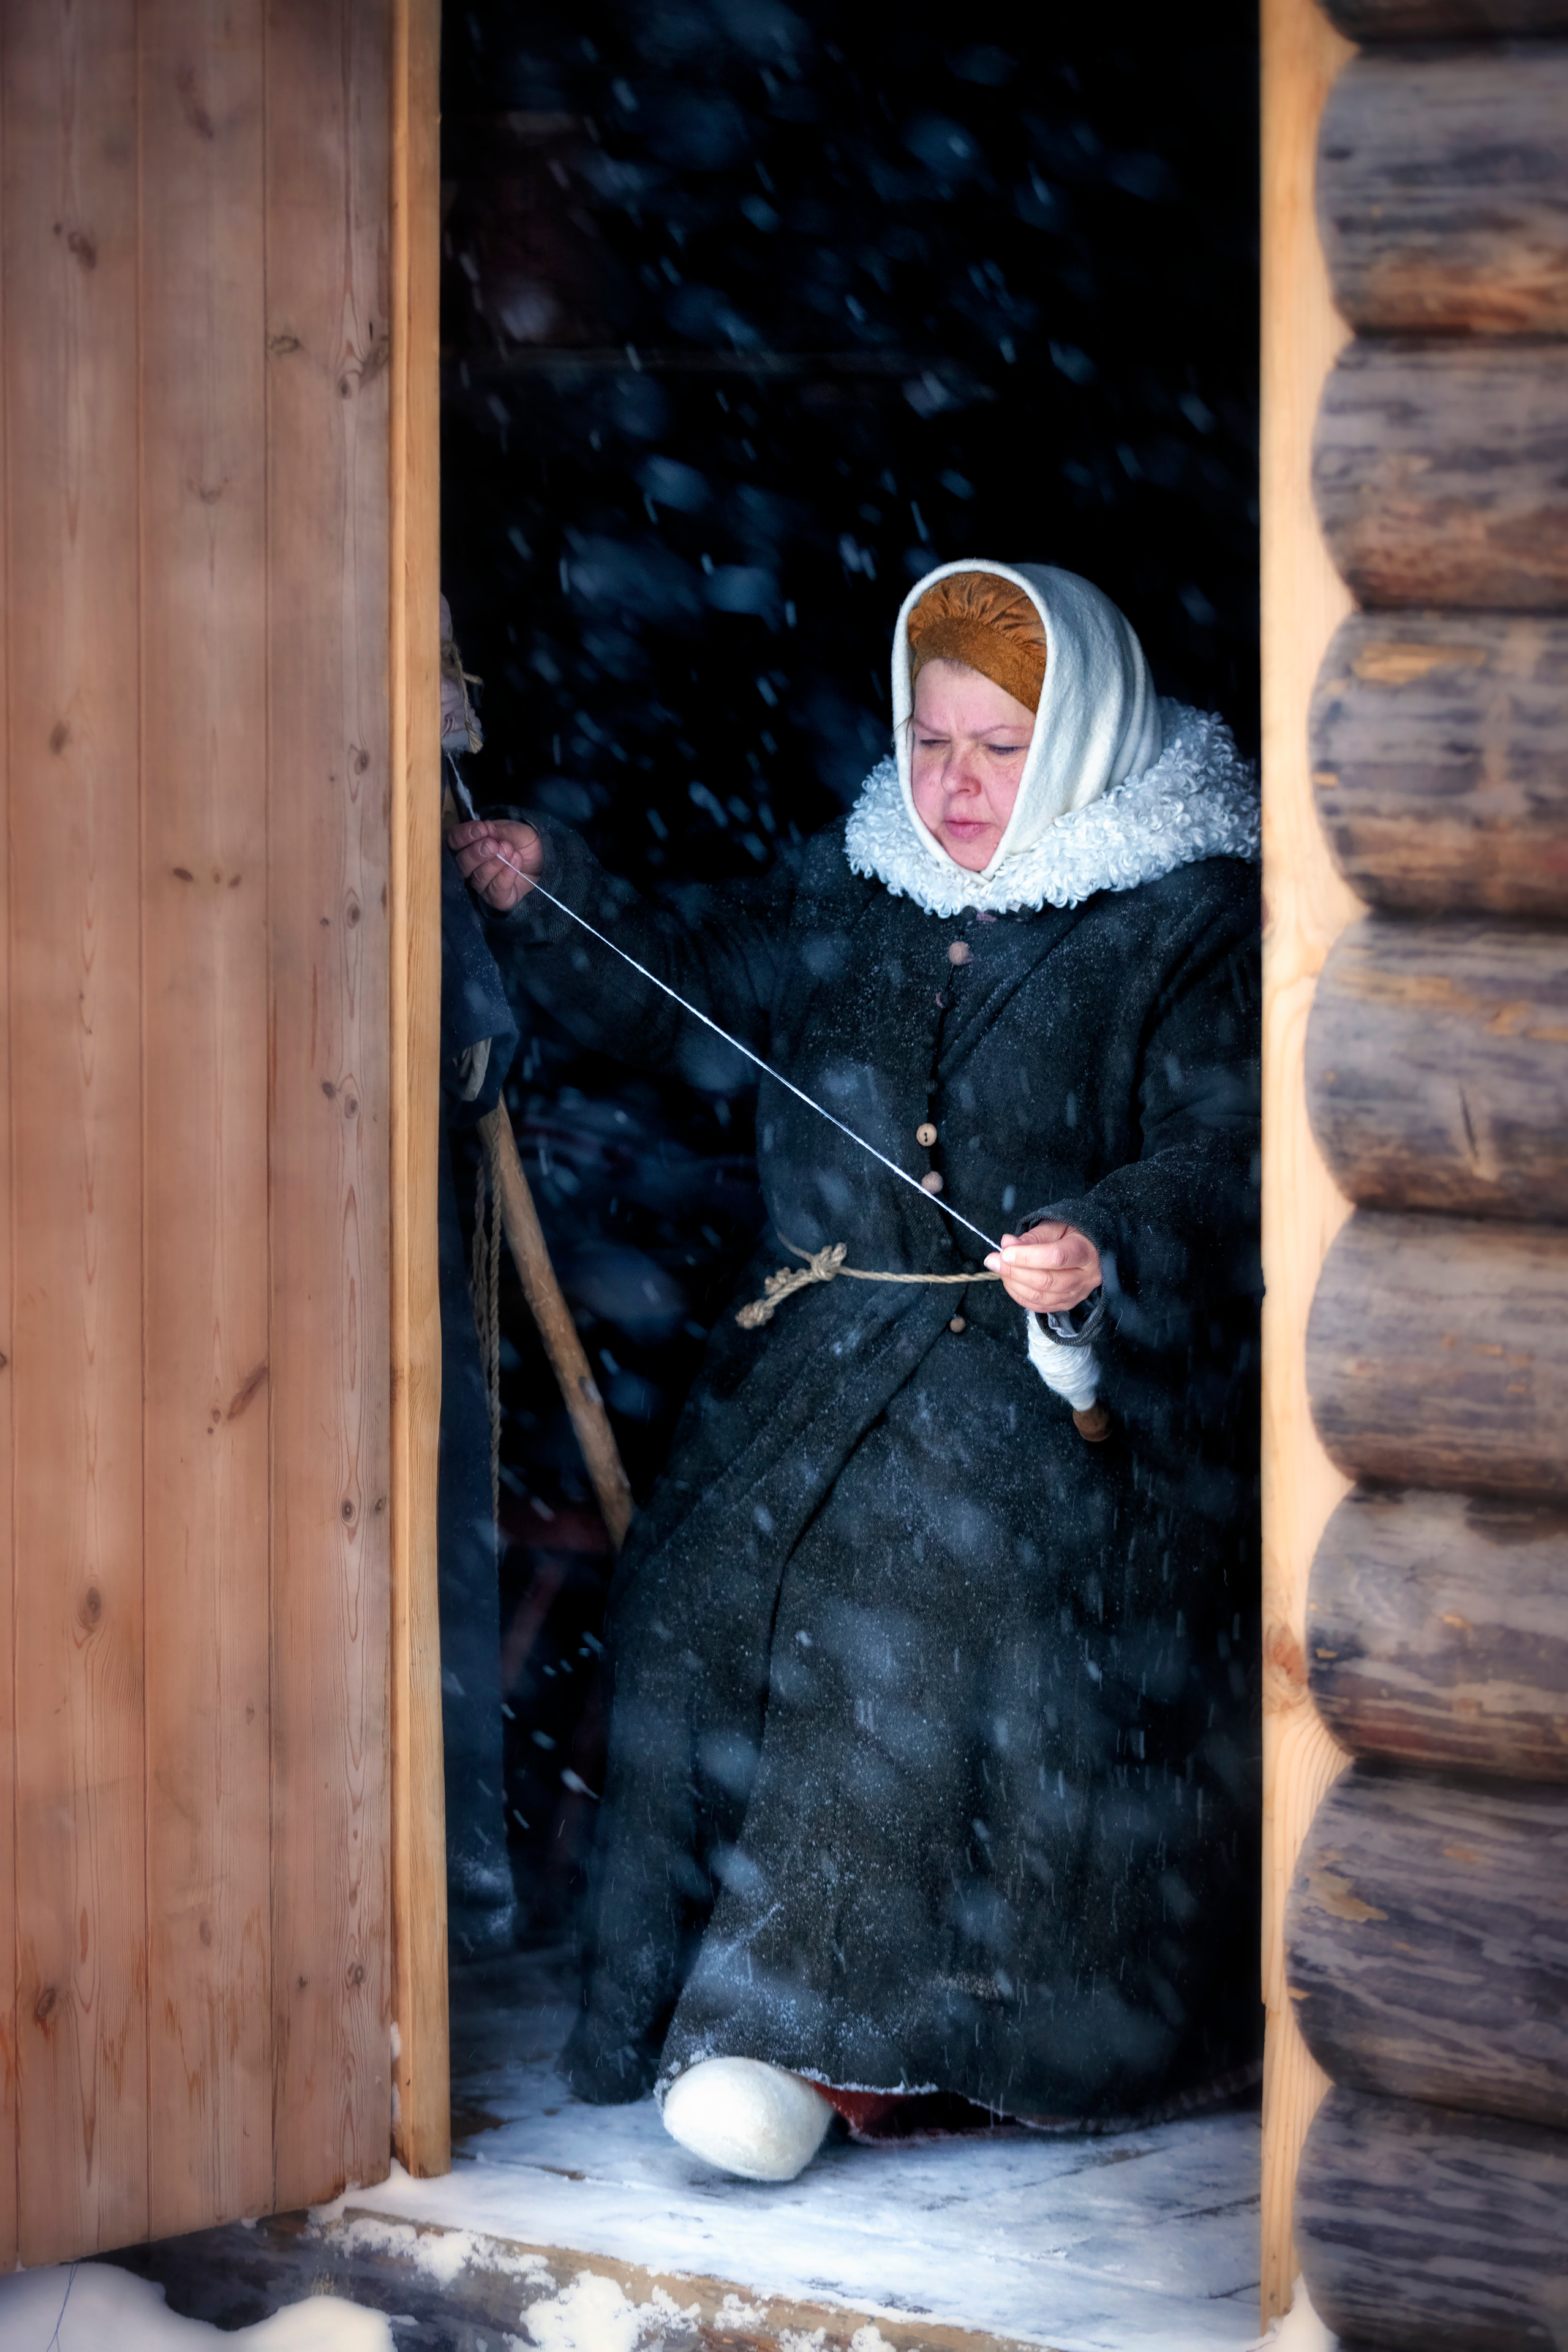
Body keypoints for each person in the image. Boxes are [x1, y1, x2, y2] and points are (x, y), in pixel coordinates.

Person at [451, 560, 1262, 2182]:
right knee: (699, 1583)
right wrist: (551, 891)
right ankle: (691, 2002)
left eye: (1001, 748)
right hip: (830, 1362)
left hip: (1075, 1395)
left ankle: (828, 2040)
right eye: (931, 739)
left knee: (909, 1591)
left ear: (1087, 738)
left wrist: (1102, 1243)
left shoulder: (1187, 916)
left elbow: (1228, 1152)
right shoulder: (860, 881)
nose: (955, 785)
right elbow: (681, 980)